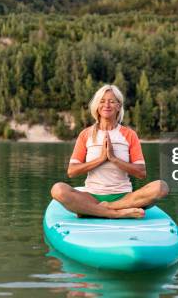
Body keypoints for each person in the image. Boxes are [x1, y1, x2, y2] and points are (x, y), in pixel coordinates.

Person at [50, 84, 169, 219]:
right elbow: (72, 171)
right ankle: (115, 214)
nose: (106, 105)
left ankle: (103, 208)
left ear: (118, 106)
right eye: (102, 101)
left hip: (124, 197)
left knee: (161, 187)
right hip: (91, 196)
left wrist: (113, 158)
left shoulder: (129, 135)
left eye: (112, 101)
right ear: (97, 106)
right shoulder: (85, 134)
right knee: (58, 190)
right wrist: (100, 159)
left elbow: (141, 173)